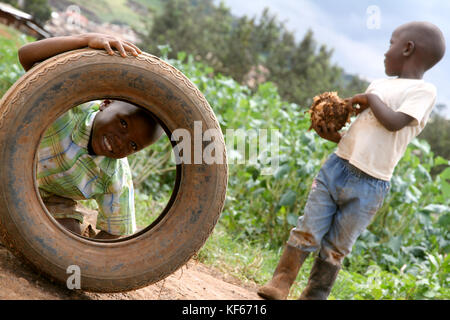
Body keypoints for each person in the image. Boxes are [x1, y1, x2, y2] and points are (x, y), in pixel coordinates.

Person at [257, 21, 446, 300]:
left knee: (336, 246)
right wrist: (334, 136)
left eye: (391, 43)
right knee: (307, 228)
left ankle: (314, 295)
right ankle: (281, 282)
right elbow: (364, 134)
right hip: (337, 167)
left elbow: (393, 123)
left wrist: (370, 98)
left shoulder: (424, 91)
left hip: (371, 185)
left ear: (408, 48)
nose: (386, 51)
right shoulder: (379, 85)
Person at [18, 33, 164, 240]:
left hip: (51, 201)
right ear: (106, 103)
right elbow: (26, 55)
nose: (120, 141)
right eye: (123, 123)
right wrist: (86, 40)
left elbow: (116, 231)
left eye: (133, 145)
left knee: (65, 241)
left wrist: (89, 253)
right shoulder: (68, 106)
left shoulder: (115, 177)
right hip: (8, 168)